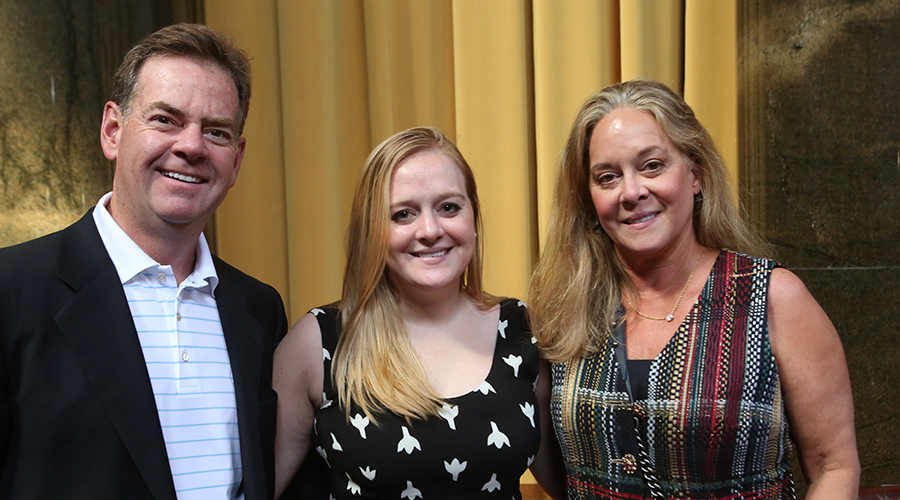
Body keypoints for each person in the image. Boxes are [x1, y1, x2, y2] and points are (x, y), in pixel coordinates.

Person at [528, 80, 859, 500]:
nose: (632, 192)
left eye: (652, 166)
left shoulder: (772, 296)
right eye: (608, 177)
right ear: (590, 197)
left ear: (695, 174)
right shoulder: (564, 309)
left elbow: (836, 466)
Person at [0, 24, 286, 499]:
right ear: (113, 131)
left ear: (235, 162)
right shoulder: (12, 291)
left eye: (216, 132)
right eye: (166, 120)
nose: (191, 146)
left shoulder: (258, 310)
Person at [274, 127, 564, 499]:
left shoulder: (521, 330)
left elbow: (573, 481)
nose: (429, 230)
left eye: (448, 207)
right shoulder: (320, 341)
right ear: (372, 230)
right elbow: (257, 487)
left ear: (473, 217)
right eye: (403, 214)